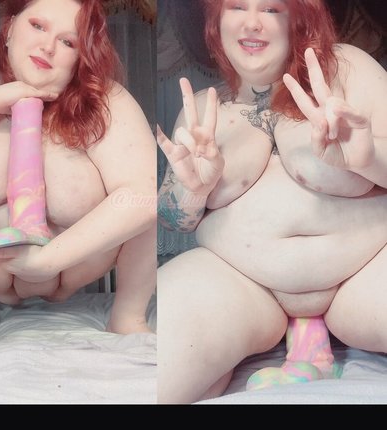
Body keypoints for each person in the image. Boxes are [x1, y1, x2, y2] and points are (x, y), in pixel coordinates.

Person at [157, 0, 387, 403]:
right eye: (237, 7)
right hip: (246, 288)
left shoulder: (348, 68)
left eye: (270, 9)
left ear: (299, 17)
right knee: (166, 359)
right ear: (216, 21)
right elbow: (174, 219)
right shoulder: (203, 112)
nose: (252, 23)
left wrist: (368, 159)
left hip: (365, 274)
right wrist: (193, 189)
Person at [0, 0, 156, 345]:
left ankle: (128, 315)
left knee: (145, 201)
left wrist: (47, 260)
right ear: (9, 28)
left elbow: (144, 196)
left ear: (81, 55)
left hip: (71, 267)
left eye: (68, 41)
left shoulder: (106, 101)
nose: (48, 46)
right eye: (38, 26)